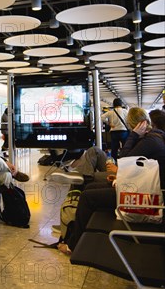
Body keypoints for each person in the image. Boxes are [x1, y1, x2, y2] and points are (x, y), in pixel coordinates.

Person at [57, 107, 165, 255]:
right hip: (140, 189)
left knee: (87, 195)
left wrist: (133, 135)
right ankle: (75, 227)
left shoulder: (150, 140)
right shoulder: (154, 137)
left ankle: (73, 245)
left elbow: (124, 161)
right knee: (89, 188)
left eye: (130, 126)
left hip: (142, 198)